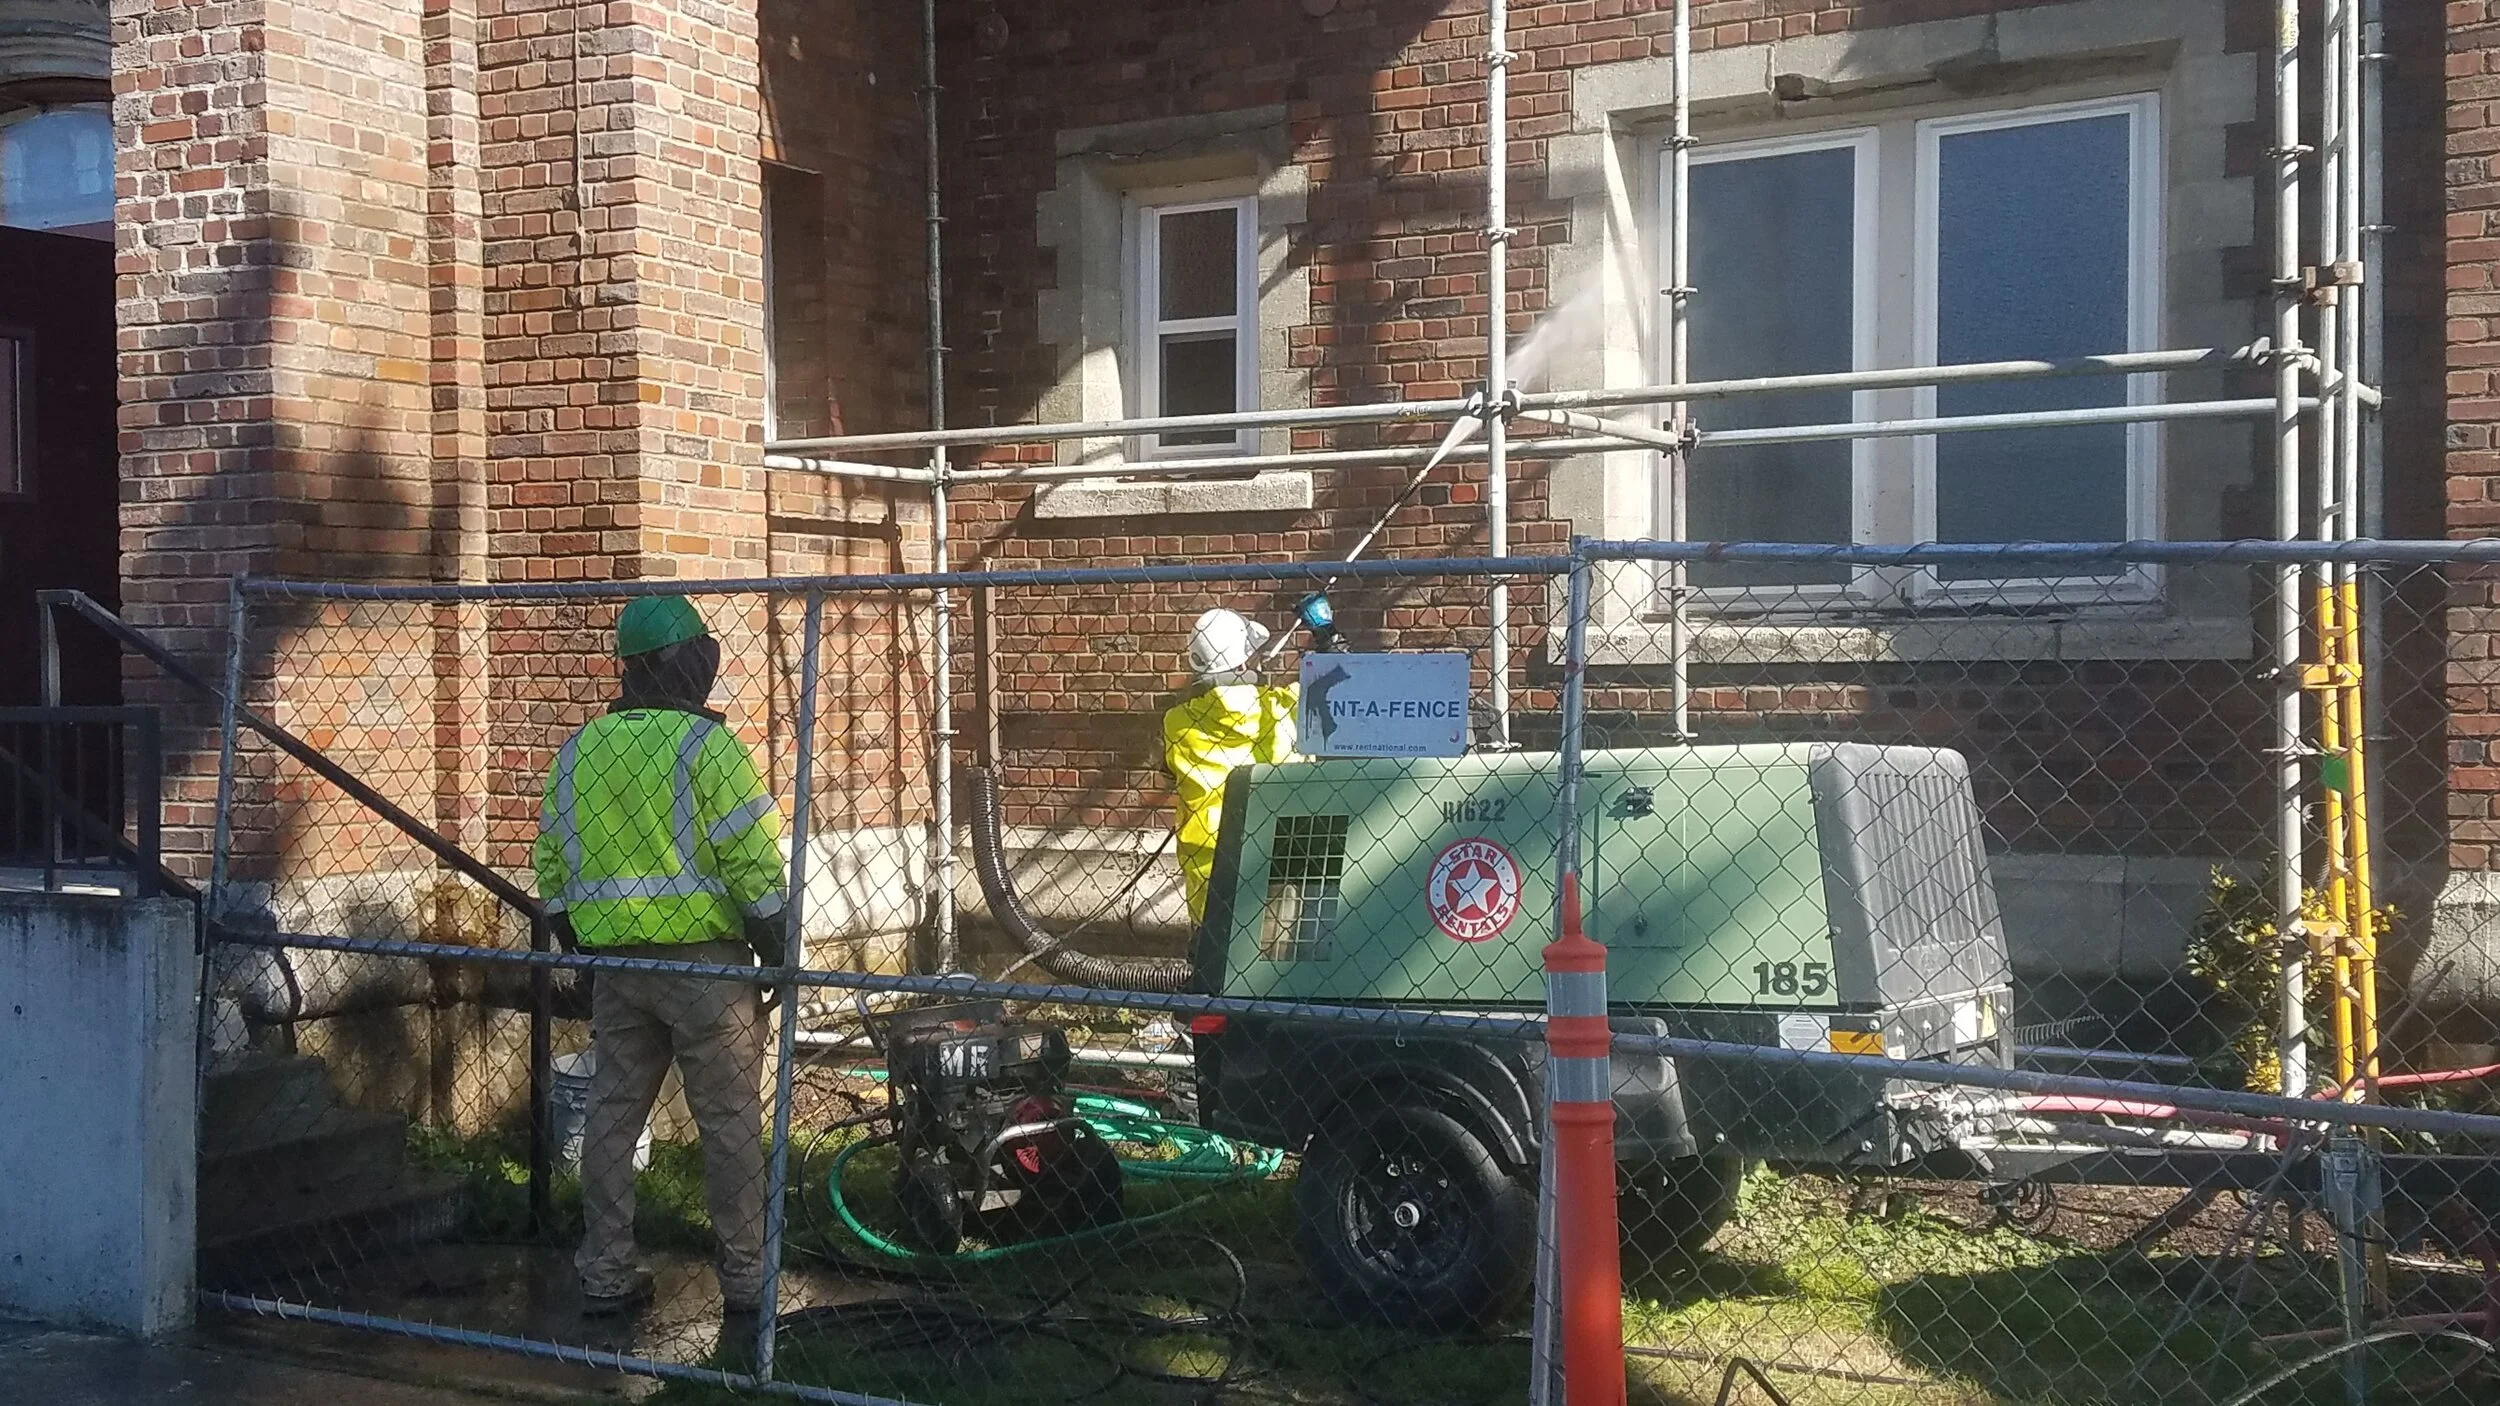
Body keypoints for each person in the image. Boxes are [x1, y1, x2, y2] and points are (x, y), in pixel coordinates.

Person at [534, 595, 788, 1318]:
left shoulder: (582, 750)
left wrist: (577, 936)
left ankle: (606, 1272)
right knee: (729, 1122)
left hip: (618, 967)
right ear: (686, 662)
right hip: (707, 967)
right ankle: (746, 1281)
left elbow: (552, 861)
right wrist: (778, 945)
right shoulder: (709, 749)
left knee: (613, 1117)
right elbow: (751, 861)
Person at [1164, 608, 1300, 923]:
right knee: (1273, 948)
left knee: (1209, 949)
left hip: (1209, 870)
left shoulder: (1177, 721)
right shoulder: (1281, 708)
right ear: (1243, 662)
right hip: (1274, 864)